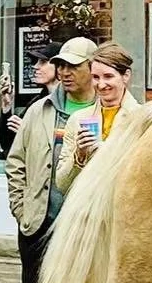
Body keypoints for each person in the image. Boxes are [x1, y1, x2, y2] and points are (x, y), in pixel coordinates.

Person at [3, 36, 97, 283]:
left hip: (83, 226)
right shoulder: (39, 110)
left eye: (73, 65)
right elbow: (16, 162)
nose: (65, 72)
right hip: (38, 225)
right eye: (61, 65)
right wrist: (20, 208)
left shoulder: (101, 111)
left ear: (92, 67)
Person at [51, 42, 143, 200]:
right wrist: (79, 156)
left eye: (108, 76)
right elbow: (62, 184)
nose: (101, 84)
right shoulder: (78, 119)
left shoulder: (140, 118)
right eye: (95, 77)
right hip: (85, 214)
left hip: (122, 212)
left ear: (125, 76)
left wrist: (107, 152)